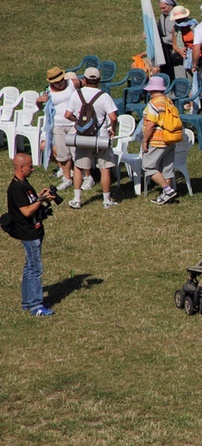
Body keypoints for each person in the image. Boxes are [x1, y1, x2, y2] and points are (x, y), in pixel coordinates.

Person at [5, 153, 57, 316]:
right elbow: (26, 211)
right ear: (21, 168)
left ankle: (28, 302)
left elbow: (30, 202)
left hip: (34, 230)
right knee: (35, 268)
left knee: (29, 267)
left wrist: (40, 196)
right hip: (29, 233)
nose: (33, 169)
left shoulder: (23, 183)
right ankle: (36, 305)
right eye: (30, 166)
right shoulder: (16, 188)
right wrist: (40, 201)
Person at [64, 67, 118, 210]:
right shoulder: (104, 96)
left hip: (82, 137)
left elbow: (67, 115)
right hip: (100, 137)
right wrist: (113, 129)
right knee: (104, 168)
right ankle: (106, 200)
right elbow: (113, 117)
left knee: (79, 166)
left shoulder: (76, 94)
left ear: (85, 79)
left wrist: (80, 122)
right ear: (99, 80)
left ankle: (77, 199)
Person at [36, 67, 79, 191]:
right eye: (57, 82)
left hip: (73, 124)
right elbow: (39, 107)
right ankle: (67, 178)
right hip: (58, 125)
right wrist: (39, 101)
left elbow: (88, 86)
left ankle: (82, 177)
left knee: (76, 153)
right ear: (50, 82)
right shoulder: (47, 92)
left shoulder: (72, 83)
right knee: (63, 154)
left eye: (61, 80)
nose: (60, 83)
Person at [141, 76, 179, 205]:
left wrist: (144, 141)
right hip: (170, 139)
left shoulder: (154, 103)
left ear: (151, 91)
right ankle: (166, 197)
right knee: (166, 169)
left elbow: (151, 124)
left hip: (157, 140)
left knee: (148, 166)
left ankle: (168, 190)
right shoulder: (168, 101)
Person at [170, 5, 198, 80]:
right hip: (187, 56)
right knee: (191, 80)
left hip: (198, 54)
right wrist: (179, 50)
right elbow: (174, 45)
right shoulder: (175, 28)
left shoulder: (194, 25)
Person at [157, 0, 179, 80]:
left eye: (164, 8)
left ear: (171, 5)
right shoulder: (162, 17)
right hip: (164, 50)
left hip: (174, 50)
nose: (162, 10)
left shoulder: (177, 16)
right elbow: (159, 30)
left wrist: (163, 39)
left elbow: (176, 34)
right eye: (161, 8)